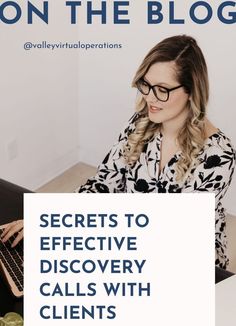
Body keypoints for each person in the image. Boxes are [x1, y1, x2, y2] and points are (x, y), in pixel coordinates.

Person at [1, 35, 236, 269]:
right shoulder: (141, 123)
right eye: (145, 84)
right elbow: (103, 185)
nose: (149, 97)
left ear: (192, 90)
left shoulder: (217, 155)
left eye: (162, 90)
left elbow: (173, 233)